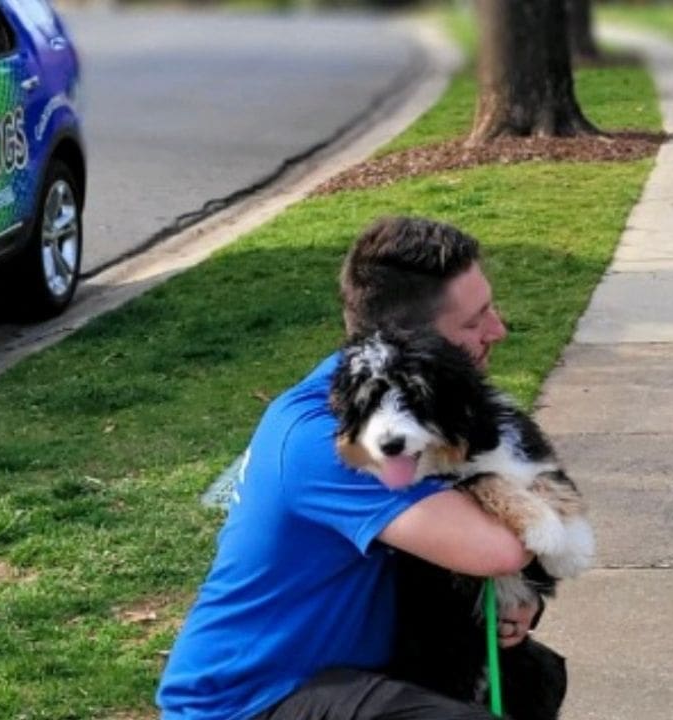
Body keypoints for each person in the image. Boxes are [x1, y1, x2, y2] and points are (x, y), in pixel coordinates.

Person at [156, 216, 556, 720]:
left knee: (532, 679)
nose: (497, 330)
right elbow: (500, 548)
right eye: (473, 322)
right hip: (249, 702)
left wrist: (521, 600)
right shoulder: (339, 438)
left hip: (341, 674)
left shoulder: (403, 400)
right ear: (407, 343)